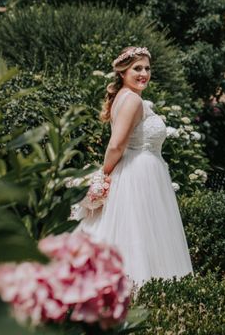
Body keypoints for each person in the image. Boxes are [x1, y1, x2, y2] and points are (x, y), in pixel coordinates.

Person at [76, 46, 193, 286]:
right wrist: (103, 175)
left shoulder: (126, 97)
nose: (144, 74)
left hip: (140, 170)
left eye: (147, 68)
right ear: (122, 72)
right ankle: (138, 286)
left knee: (138, 232)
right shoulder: (132, 100)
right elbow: (116, 145)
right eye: (137, 68)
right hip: (138, 173)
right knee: (139, 231)